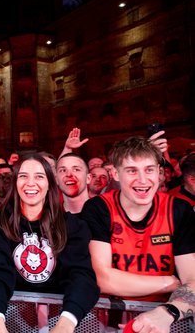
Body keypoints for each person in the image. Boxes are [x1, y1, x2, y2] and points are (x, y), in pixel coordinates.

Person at [81, 136, 195, 332]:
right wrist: (171, 282)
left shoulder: (178, 209)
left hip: (164, 318)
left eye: (149, 170)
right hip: (106, 318)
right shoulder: (98, 208)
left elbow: (193, 281)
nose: (143, 180)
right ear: (115, 173)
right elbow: (103, 279)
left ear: (160, 174)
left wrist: (167, 313)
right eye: (132, 170)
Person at [0, 154, 99, 333]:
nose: (30, 183)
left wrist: (66, 323)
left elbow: (81, 276)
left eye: (39, 176)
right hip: (12, 316)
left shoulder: (72, 226)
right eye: (23, 176)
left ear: (50, 184)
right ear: (15, 182)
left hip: (62, 317)